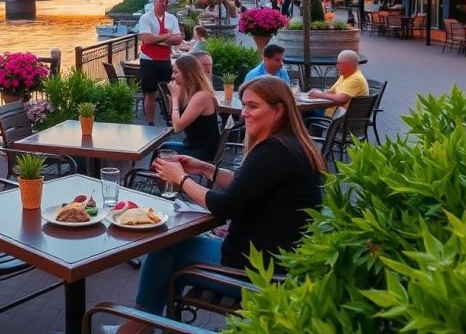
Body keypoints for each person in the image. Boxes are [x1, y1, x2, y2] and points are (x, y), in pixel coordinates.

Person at [114, 77, 324, 332]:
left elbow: (224, 206)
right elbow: (247, 185)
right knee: (172, 247)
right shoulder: (291, 145)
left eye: (252, 106)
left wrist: (181, 179)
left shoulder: (272, 151)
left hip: (257, 273)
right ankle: (144, 325)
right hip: (280, 264)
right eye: (244, 105)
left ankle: (137, 325)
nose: (244, 113)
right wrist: (205, 168)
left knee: (166, 247)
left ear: (278, 110)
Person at [160, 55, 220, 160]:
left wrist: (174, 98)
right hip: (191, 145)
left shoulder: (202, 96)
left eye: (176, 72)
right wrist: (174, 96)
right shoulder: (188, 92)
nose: (172, 76)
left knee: (163, 152)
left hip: (203, 151)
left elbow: (177, 127)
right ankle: (156, 176)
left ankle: (156, 176)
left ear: (188, 74)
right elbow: (172, 117)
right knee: (163, 148)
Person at [137, 0, 183, 126]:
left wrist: (157, 39)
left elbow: (178, 40)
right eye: (161, 1)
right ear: (155, 2)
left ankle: (170, 120)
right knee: (149, 93)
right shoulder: (146, 18)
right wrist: (168, 36)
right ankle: (150, 123)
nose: (164, 4)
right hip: (148, 60)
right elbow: (147, 39)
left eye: (167, 2)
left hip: (165, 59)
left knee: (169, 91)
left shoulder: (172, 18)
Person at [308, 50, 369, 116]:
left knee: (301, 114)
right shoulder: (345, 75)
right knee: (302, 113)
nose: (336, 66)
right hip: (335, 114)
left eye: (339, 63)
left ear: (348, 64)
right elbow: (330, 92)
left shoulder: (356, 79)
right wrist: (316, 93)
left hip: (338, 119)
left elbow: (341, 99)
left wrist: (319, 95)